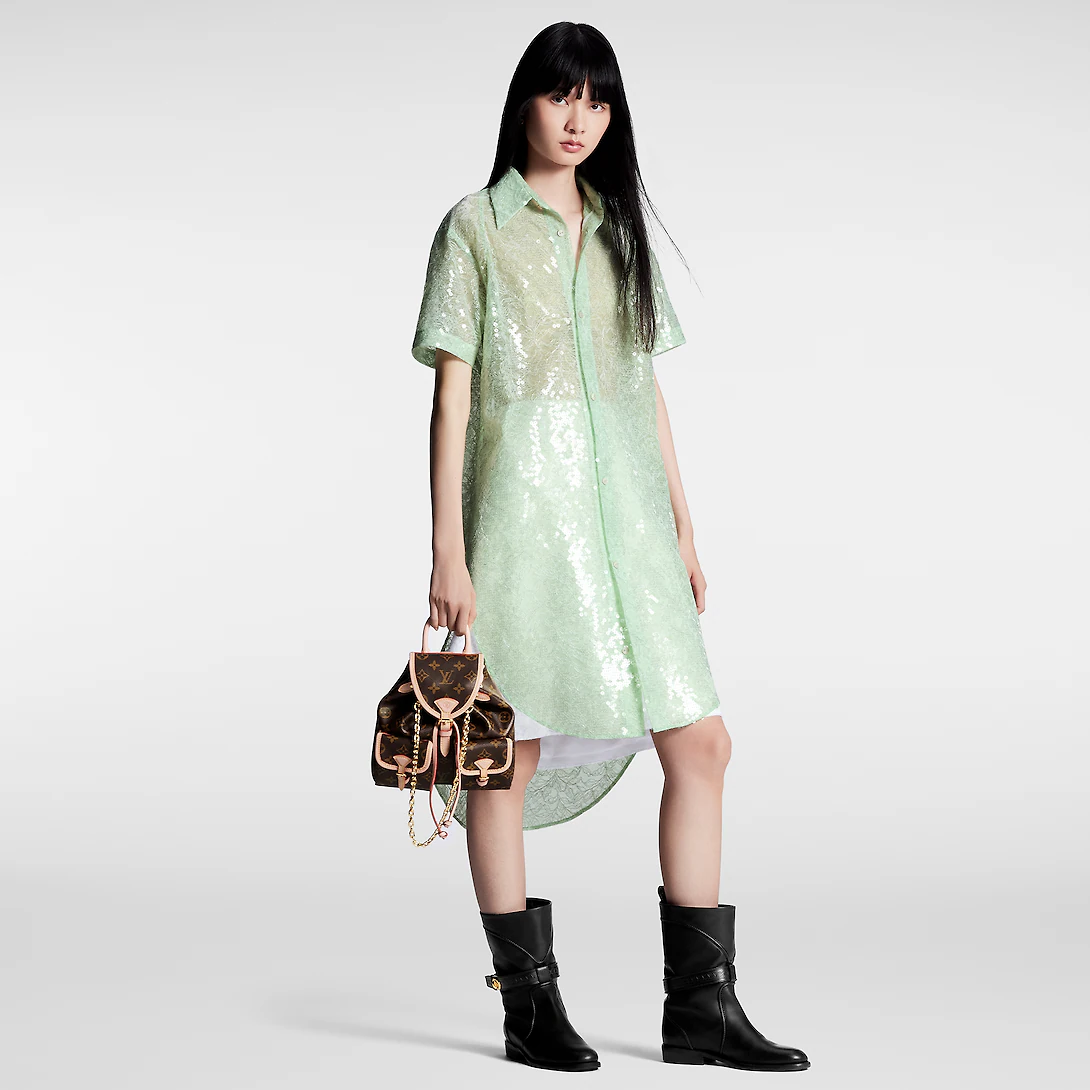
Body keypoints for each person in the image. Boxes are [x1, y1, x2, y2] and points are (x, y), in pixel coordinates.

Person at [409, 21, 810, 1075]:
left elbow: (644, 387)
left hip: (628, 526)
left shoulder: (620, 231)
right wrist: (448, 549)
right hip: (522, 527)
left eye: (598, 99)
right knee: (504, 756)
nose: (578, 117)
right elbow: (452, 400)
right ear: (525, 104)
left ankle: (701, 1010)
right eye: (561, 95)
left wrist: (682, 519)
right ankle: (528, 1006)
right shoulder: (475, 228)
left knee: (701, 742)